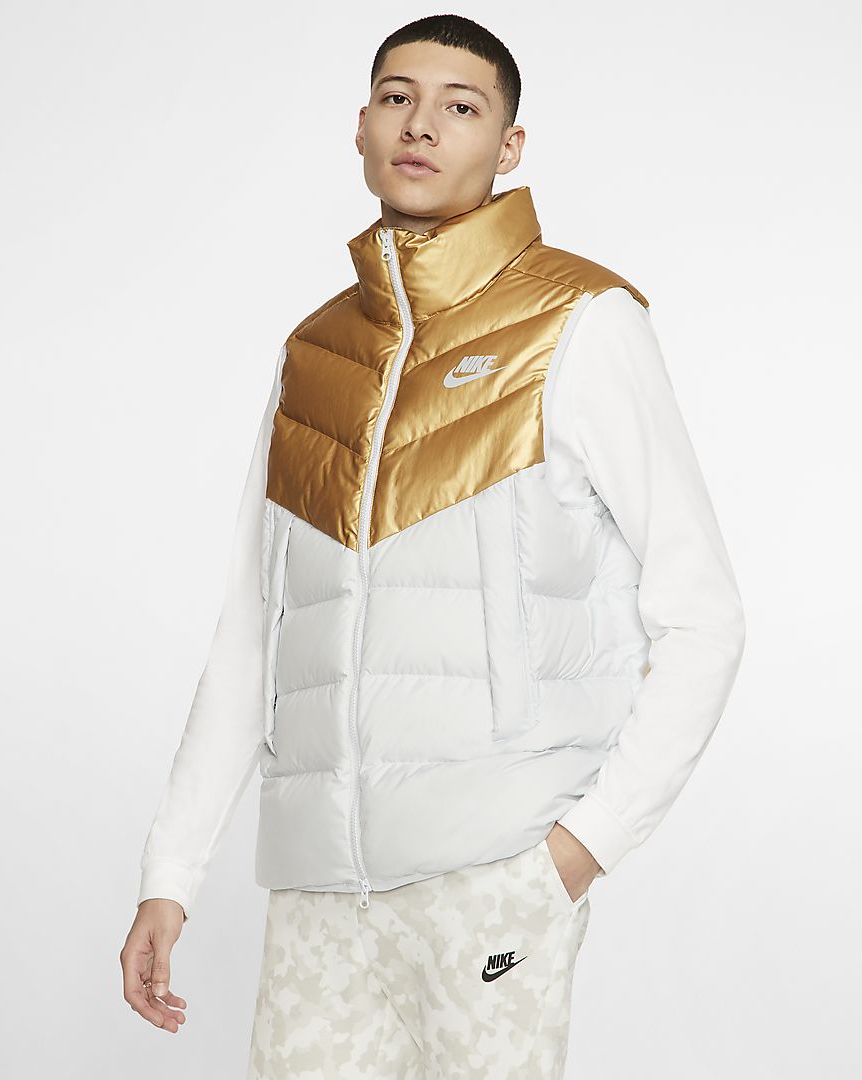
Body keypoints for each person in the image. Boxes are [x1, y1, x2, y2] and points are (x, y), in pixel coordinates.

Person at [120, 13, 746, 1078]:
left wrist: (575, 854)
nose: (421, 125)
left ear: (509, 146)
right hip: (319, 891)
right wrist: (169, 875)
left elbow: (704, 618)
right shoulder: (313, 357)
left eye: (461, 106)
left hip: (491, 876)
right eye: (397, 98)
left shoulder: (580, 322)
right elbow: (251, 636)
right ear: (361, 128)